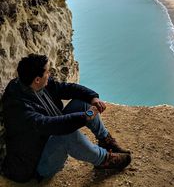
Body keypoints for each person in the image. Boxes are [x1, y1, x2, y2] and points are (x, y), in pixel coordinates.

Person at [2, 54, 131, 183]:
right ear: (37, 79)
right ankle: (103, 160)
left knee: (84, 103)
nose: (50, 74)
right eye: (47, 71)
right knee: (67, 134)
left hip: (48, 139)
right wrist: (87, 116)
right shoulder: (18, 107)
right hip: (37, 165)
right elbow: (50, 125)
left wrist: (93, 97)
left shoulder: (34, 83)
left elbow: (66, 88)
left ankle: (105, 140)